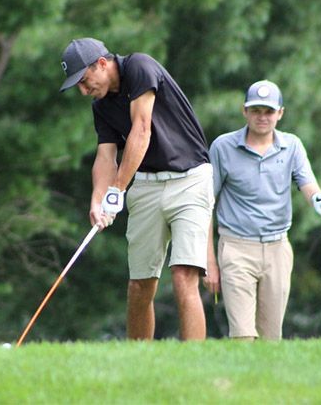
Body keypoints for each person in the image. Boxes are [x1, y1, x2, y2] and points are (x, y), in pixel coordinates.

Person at [59, 37, 214, 340]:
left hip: (190, 181)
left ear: (102, 64)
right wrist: (98, 200)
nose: (83, 89)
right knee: (140, 284)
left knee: (184, 276)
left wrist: (116, 190)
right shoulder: (101, 105)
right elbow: (106, 156)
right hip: (145, 186)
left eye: (84, 80)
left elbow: (141, 131)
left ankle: (194, 363)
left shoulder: (140, 67)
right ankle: (139, 360)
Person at [204, 80, 321, 340]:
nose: (262, 117)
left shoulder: (292, 146)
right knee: (242, 334)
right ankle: (241, 381)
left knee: (270, 337)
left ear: (280, 113)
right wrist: (209, 262)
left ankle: (264, 382)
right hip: (236, 248)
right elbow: (206, 203)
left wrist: (320, 199)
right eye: (256, 111)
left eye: (268, 111)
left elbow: (307, 184)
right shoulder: (222, 147)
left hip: (277, 249)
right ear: (245, 111)